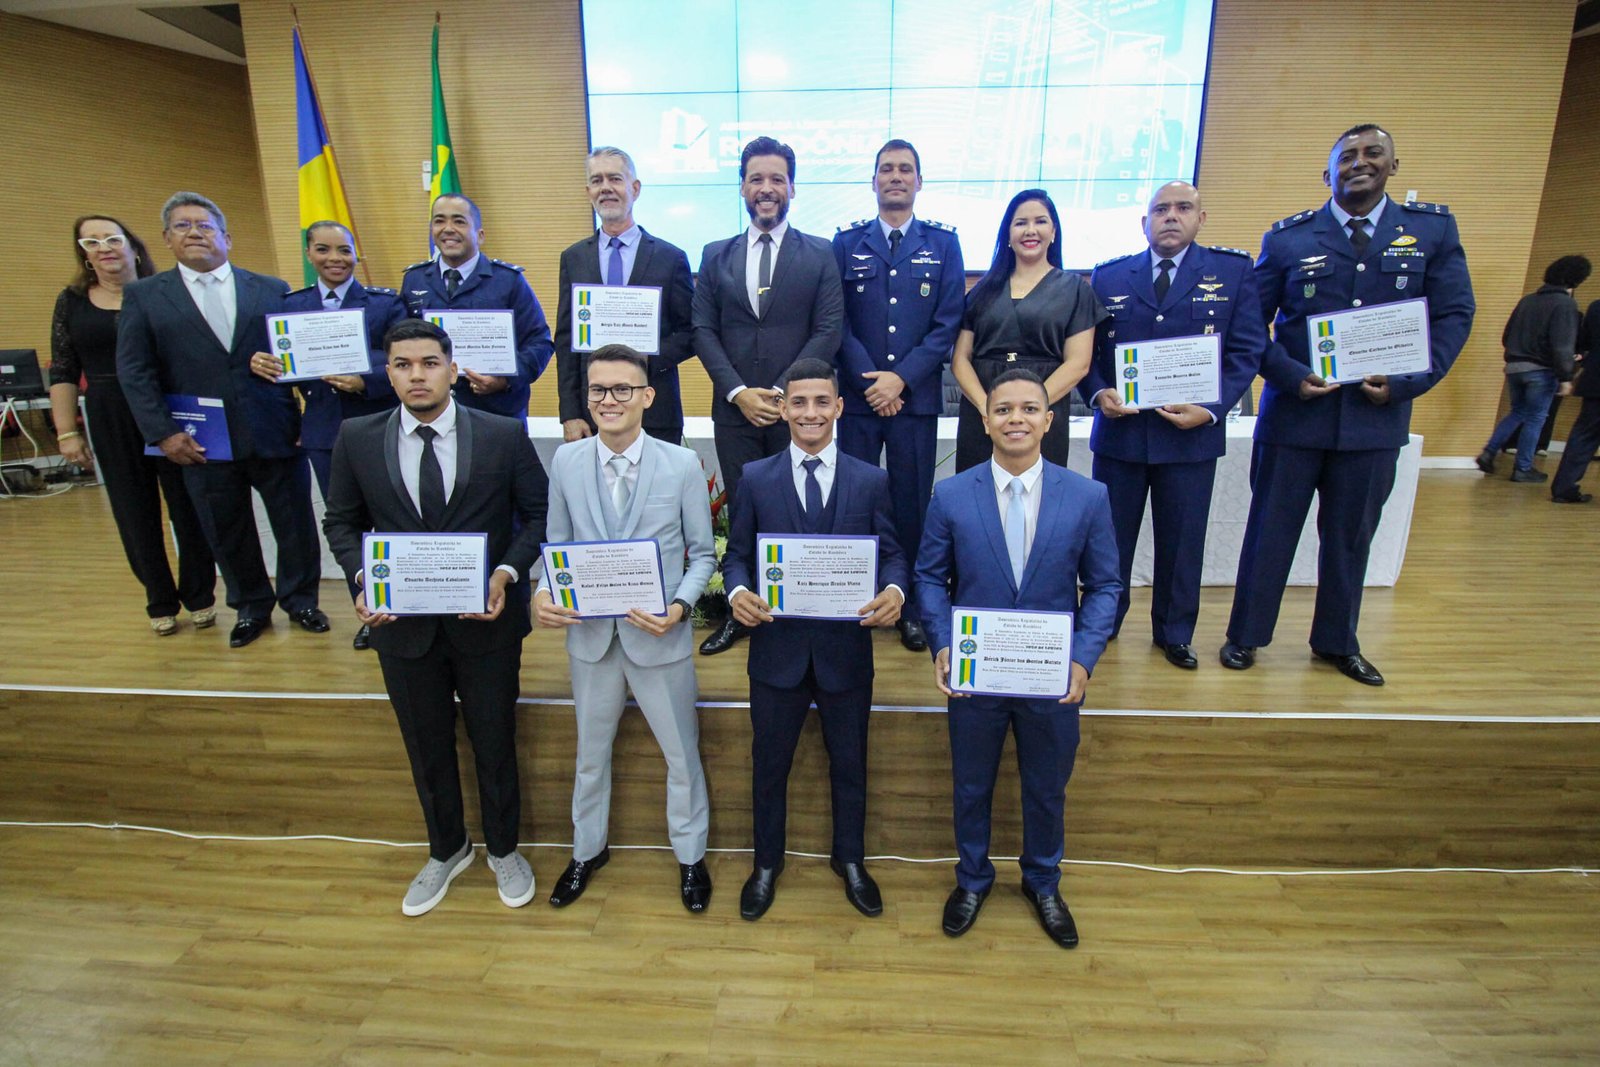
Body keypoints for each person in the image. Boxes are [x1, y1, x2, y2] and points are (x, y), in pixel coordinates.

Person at [1222, 124, 1475, 686]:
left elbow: (1455, 313)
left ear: (1393, 166)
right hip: (1294, 416)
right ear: (1327, 173)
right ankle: (1246, 636)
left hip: (1374, 419)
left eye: (1372, 154)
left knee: (1350, 537)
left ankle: (1337, 642)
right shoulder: (1288, 239)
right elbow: (1249, 323)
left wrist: (1412, 380)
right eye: (1347, 157)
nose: (1359, 163)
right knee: (1269, 532)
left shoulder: (1429, 231)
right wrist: (1287, 375)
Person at [322, 318, 549, 917]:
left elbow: (539, 516)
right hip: (402, 628)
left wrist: (505, 573)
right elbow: (340, 523)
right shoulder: (358, 437)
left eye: (428, 363)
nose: (415, 375)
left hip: (487, 620)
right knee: (425, 745)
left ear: (452, 368)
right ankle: (446, 849)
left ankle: (504, 848)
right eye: (402, 364)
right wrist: (360, 576)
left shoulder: (502, 434)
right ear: (388, 372)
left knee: (494, 741)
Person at [915, 368, 1120, 949]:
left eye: (1030, 409)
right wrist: (943, 643)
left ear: (1049, 420)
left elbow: (1106, 586)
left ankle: (1043, 882)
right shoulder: (951, 494)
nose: (1016, 420)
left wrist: (1082, 660)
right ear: (985, 421)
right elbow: (930, 578)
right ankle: (973, 878)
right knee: (971, 786)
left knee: (1046, 786)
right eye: (1003, 410)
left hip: (1053, 677)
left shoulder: (1088, 495)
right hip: (975, 674)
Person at [720, 357, 908, 920]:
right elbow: (737, 558)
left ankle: (850, 860)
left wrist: (895, 590)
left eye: (821, 401)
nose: (809, 412)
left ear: (839, 407)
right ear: (783, 410)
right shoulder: (756, 478)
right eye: (797, 402)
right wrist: (736, 594)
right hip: (776, 651)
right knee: (768, 763)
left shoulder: (870, 479)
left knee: (850, 762)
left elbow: (894, 552)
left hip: (845, 652)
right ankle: (766, 864)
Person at [535, 344, 716, 912]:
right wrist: (543, 590)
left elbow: (703, 556)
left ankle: (691, 858)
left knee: (681, 755)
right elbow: (557, 546)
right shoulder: (565, 461)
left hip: (659, 637)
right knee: (590, 754)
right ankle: (587, 850)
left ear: (647, 397)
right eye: (597, 390)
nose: (607, 400)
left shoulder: (681, 464)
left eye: (620, 389)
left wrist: (680, 609)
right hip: (590, 638)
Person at [116, 191, 328, 649]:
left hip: (276, 430)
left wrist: (302, 413)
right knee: (225, 527)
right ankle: (251, 606)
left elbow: (300, 356)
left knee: (295, 525)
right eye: (183, 226)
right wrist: (164, 434)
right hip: (200, 440)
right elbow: (135, 373)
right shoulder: (145, 296)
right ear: (166, 240)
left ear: (227, 237)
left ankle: (301, 600)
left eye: (205, 225)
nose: (195, 232)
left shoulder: (271, 288)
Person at [1081, 181, 1267, 669]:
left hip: (1192, 436)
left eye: (1183, 208)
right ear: (1144, 223)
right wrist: (1100, 393)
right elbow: (1088, 354)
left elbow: (1247, 350)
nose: (1170, 216)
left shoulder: (1233, 272)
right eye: (1160, 209)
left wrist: (1211, 409)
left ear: (1200, 218)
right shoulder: (1108, 276)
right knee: (1110, 542)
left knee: (1183, 541)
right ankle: (1104, 622)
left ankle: (1174, 633)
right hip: (1122, 435)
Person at [693, 136, 845, 656]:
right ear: (741, 186)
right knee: (744, 512)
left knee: (801, 510)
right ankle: (745, 612)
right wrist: (738, 392)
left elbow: (828, 330)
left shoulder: (821, 253)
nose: (766, 188)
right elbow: (702, 331)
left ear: (792, 188)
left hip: (798, 415)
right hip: (734, 413)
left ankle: (805, 607)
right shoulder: (715, 255)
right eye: (756, 178)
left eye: (776, 179)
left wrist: (781, 394)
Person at [48, 214, 216, 636]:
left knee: (190, 506)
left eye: (111, 238)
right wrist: (67, 432)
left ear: (134, 245)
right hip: (110, 411)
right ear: (84, 254)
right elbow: (64, 370)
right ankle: (158, 598)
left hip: (170, 408)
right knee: (132, 510)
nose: (103, 247)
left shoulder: (165, 293)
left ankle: (200, 595)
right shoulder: (71, 301)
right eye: (91, 242)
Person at [833, 138, 965, 654]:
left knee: (911, 506)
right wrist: (873, 380)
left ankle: (909, 605)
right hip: (859, 400)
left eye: (905, 170)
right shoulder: (846, 243)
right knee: (855, 502)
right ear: (873, 182)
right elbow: (836, 320)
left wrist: (900, 380)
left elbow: (947, 322)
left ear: (918, 181)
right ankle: (856, 597)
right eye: (886, 169)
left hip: (914, 403)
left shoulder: (944, 244)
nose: (895, 177)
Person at [262, 221, 405, 650]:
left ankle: (407, 602)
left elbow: (405, 352)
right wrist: (267, 364)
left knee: (393, 519)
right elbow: (275, 364)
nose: (335, 259)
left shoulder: (383, 304)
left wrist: (365, 379)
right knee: (348, 525)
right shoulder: (291, 306)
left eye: (344, 250)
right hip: (323, 433)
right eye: (324, 250)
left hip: (379, 425)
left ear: (356, 254)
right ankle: (368, 611)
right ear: (309, 254)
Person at [950, 188, 1106, 472]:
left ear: (1054, 232)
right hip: (982, 414)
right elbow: (961, 359)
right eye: (1021, 223)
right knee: (977, 499)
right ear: (1007, 235)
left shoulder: (1075, 291)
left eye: (1040, 221)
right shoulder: (981, 291)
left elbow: (1079, 363)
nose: (1030, 230)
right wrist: (992, 409)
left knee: (1040, 502)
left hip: (1044, 413)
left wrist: (1027, 410)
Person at [554, 147, 696, 446]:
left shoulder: (670, 258)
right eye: (597, 180)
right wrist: (570, 413)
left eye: (615, 179)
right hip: (592, 413)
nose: (606, 187)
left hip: (656, 411)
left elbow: (690, 333)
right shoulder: (574, 258)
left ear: (635, 188)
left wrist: (645, 354)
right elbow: (567, 339)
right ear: (588, 191)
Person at [399, 193, 554, 418]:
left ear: (480, 235)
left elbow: (539, 342)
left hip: (496, 410)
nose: (448, 228)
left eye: (459, 221)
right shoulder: (415, 279)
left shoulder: (508, 280)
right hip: (432, 411)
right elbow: (401, 344)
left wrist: (504, 379)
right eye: (439, 221)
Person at [1474, 255, 1589, 483]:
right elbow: (1562, 344)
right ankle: (1523, 468)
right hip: (1541, 370)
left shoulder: (1527, 300)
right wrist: (1566, 376)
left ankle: (1489, 450)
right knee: (1536, 418)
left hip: (1514, 367)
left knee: (1518, 412)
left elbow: (1507, 336)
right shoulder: (1565, 304)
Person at [1550, 298, 1600, 504]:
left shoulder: (1596, 306)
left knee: (1583, 436)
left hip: (1596, 380)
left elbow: (1584, 342)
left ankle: (1564, 487)